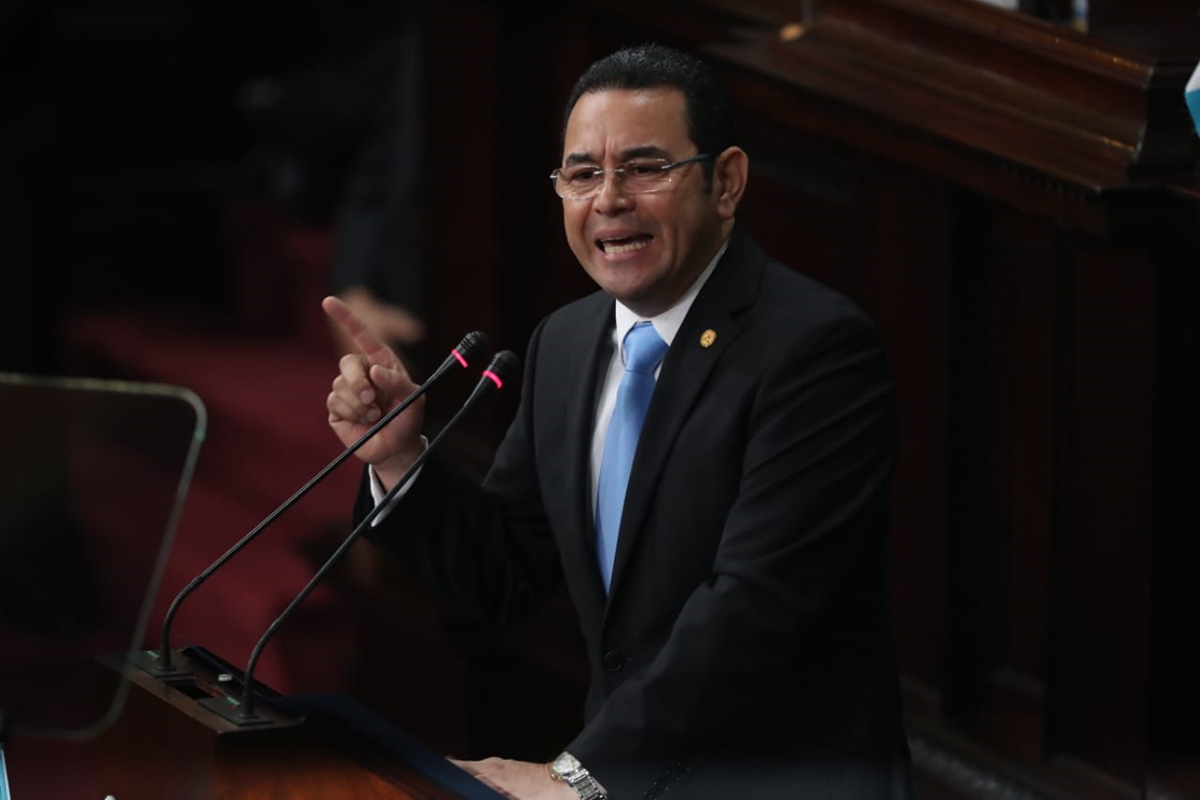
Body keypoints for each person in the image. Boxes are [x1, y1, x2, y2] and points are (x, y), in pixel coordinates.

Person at [324, 43, 915, 799]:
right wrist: (400, 460)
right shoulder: (567, 342)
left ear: (725, 181)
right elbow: (505, 571)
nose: (608, 199)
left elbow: (755, 608)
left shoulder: (815, 351)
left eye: (644, 168)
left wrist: (581, 778)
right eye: (582, 174)